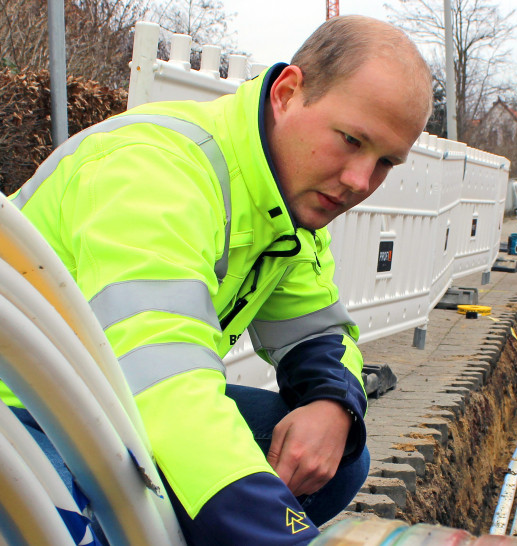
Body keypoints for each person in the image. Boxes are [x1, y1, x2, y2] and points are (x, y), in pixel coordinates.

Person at [2, 15, 432, 545]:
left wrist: (333, 404)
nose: (359, 181)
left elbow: (317, 333)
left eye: (385, 161)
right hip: (21, 412)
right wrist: (281, 533)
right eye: (350, 140)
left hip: (101, 406)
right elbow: (165, 384)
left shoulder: (287, 198)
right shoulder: (154, 172)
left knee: (338, 457)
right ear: (288, 92)